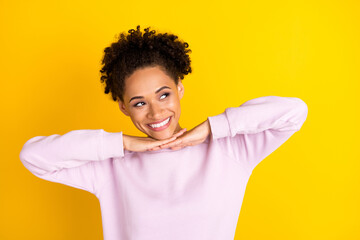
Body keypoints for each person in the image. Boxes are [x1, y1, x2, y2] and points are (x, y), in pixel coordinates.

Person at [19, 25, 308, 240]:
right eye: (139, 103)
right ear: (123, 108)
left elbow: (294, 112)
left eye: (164, 95)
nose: (156, 113)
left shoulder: (230, 150)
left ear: (180, 89)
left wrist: (211, 129)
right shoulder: (111, 167)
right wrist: (123, 143)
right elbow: (33, 156)